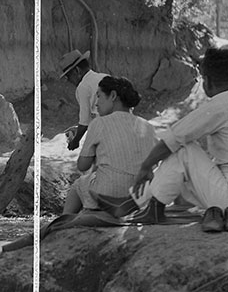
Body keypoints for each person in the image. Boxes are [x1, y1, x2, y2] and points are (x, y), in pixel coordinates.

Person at [129, 45, 228, 232]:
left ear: (207, 81)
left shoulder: (221, 104)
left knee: (184, 149)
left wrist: (146, 166)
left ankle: (147, 206)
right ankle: (139, 201)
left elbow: (174, 138)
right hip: (225, 189)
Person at [62, 76, 158, 216]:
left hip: (108, 194)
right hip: (139, 197)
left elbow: (83, 166)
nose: (96, 104)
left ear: (113, 96)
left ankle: (62, 224)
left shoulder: (99, 123)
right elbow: (153, 165)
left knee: (78, 185)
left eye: (99, 96)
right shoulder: (148, 127)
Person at [58, 49, 108, 151]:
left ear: (77, 71)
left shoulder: (83, 87)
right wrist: (78, 129)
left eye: (68, 76)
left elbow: (85, 121)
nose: (69, 81)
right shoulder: (104, 77)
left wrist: (75, 141)